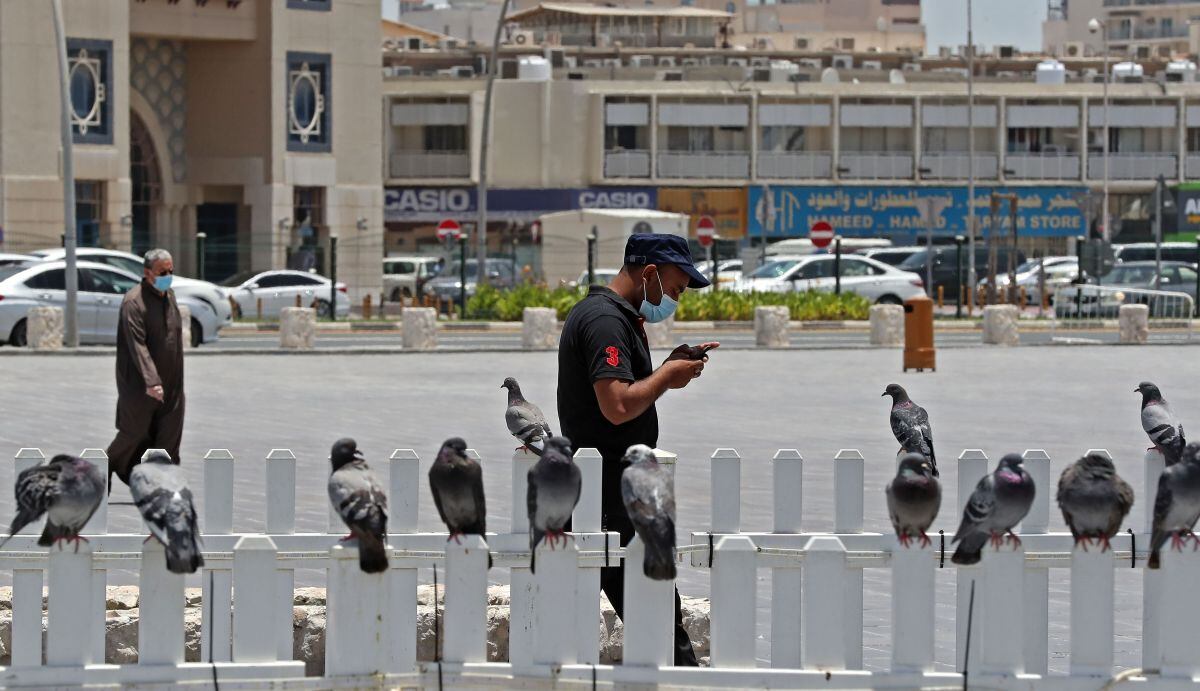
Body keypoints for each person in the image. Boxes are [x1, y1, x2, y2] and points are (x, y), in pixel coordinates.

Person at [557, 233, 717, 666]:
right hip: (608, 500)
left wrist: (669, 365)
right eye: (676, 288)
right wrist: (667, 375)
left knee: (660, 612)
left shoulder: (619, 318)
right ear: (649, 274)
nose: (676, 299)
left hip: (613, 495)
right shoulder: (604, 321)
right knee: (659, 617)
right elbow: (618, 405)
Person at [105, 249, 185, 489]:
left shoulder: (169, 296)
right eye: (163, 272)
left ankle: (162, 484)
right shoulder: (134, 302)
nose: (168, 276)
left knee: (169, 434)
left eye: (171, 271)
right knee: (134, 431)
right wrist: (152, 381)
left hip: (172, 382)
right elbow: (137, 345)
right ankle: (104, 467)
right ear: (147, 273)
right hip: (139, 384)